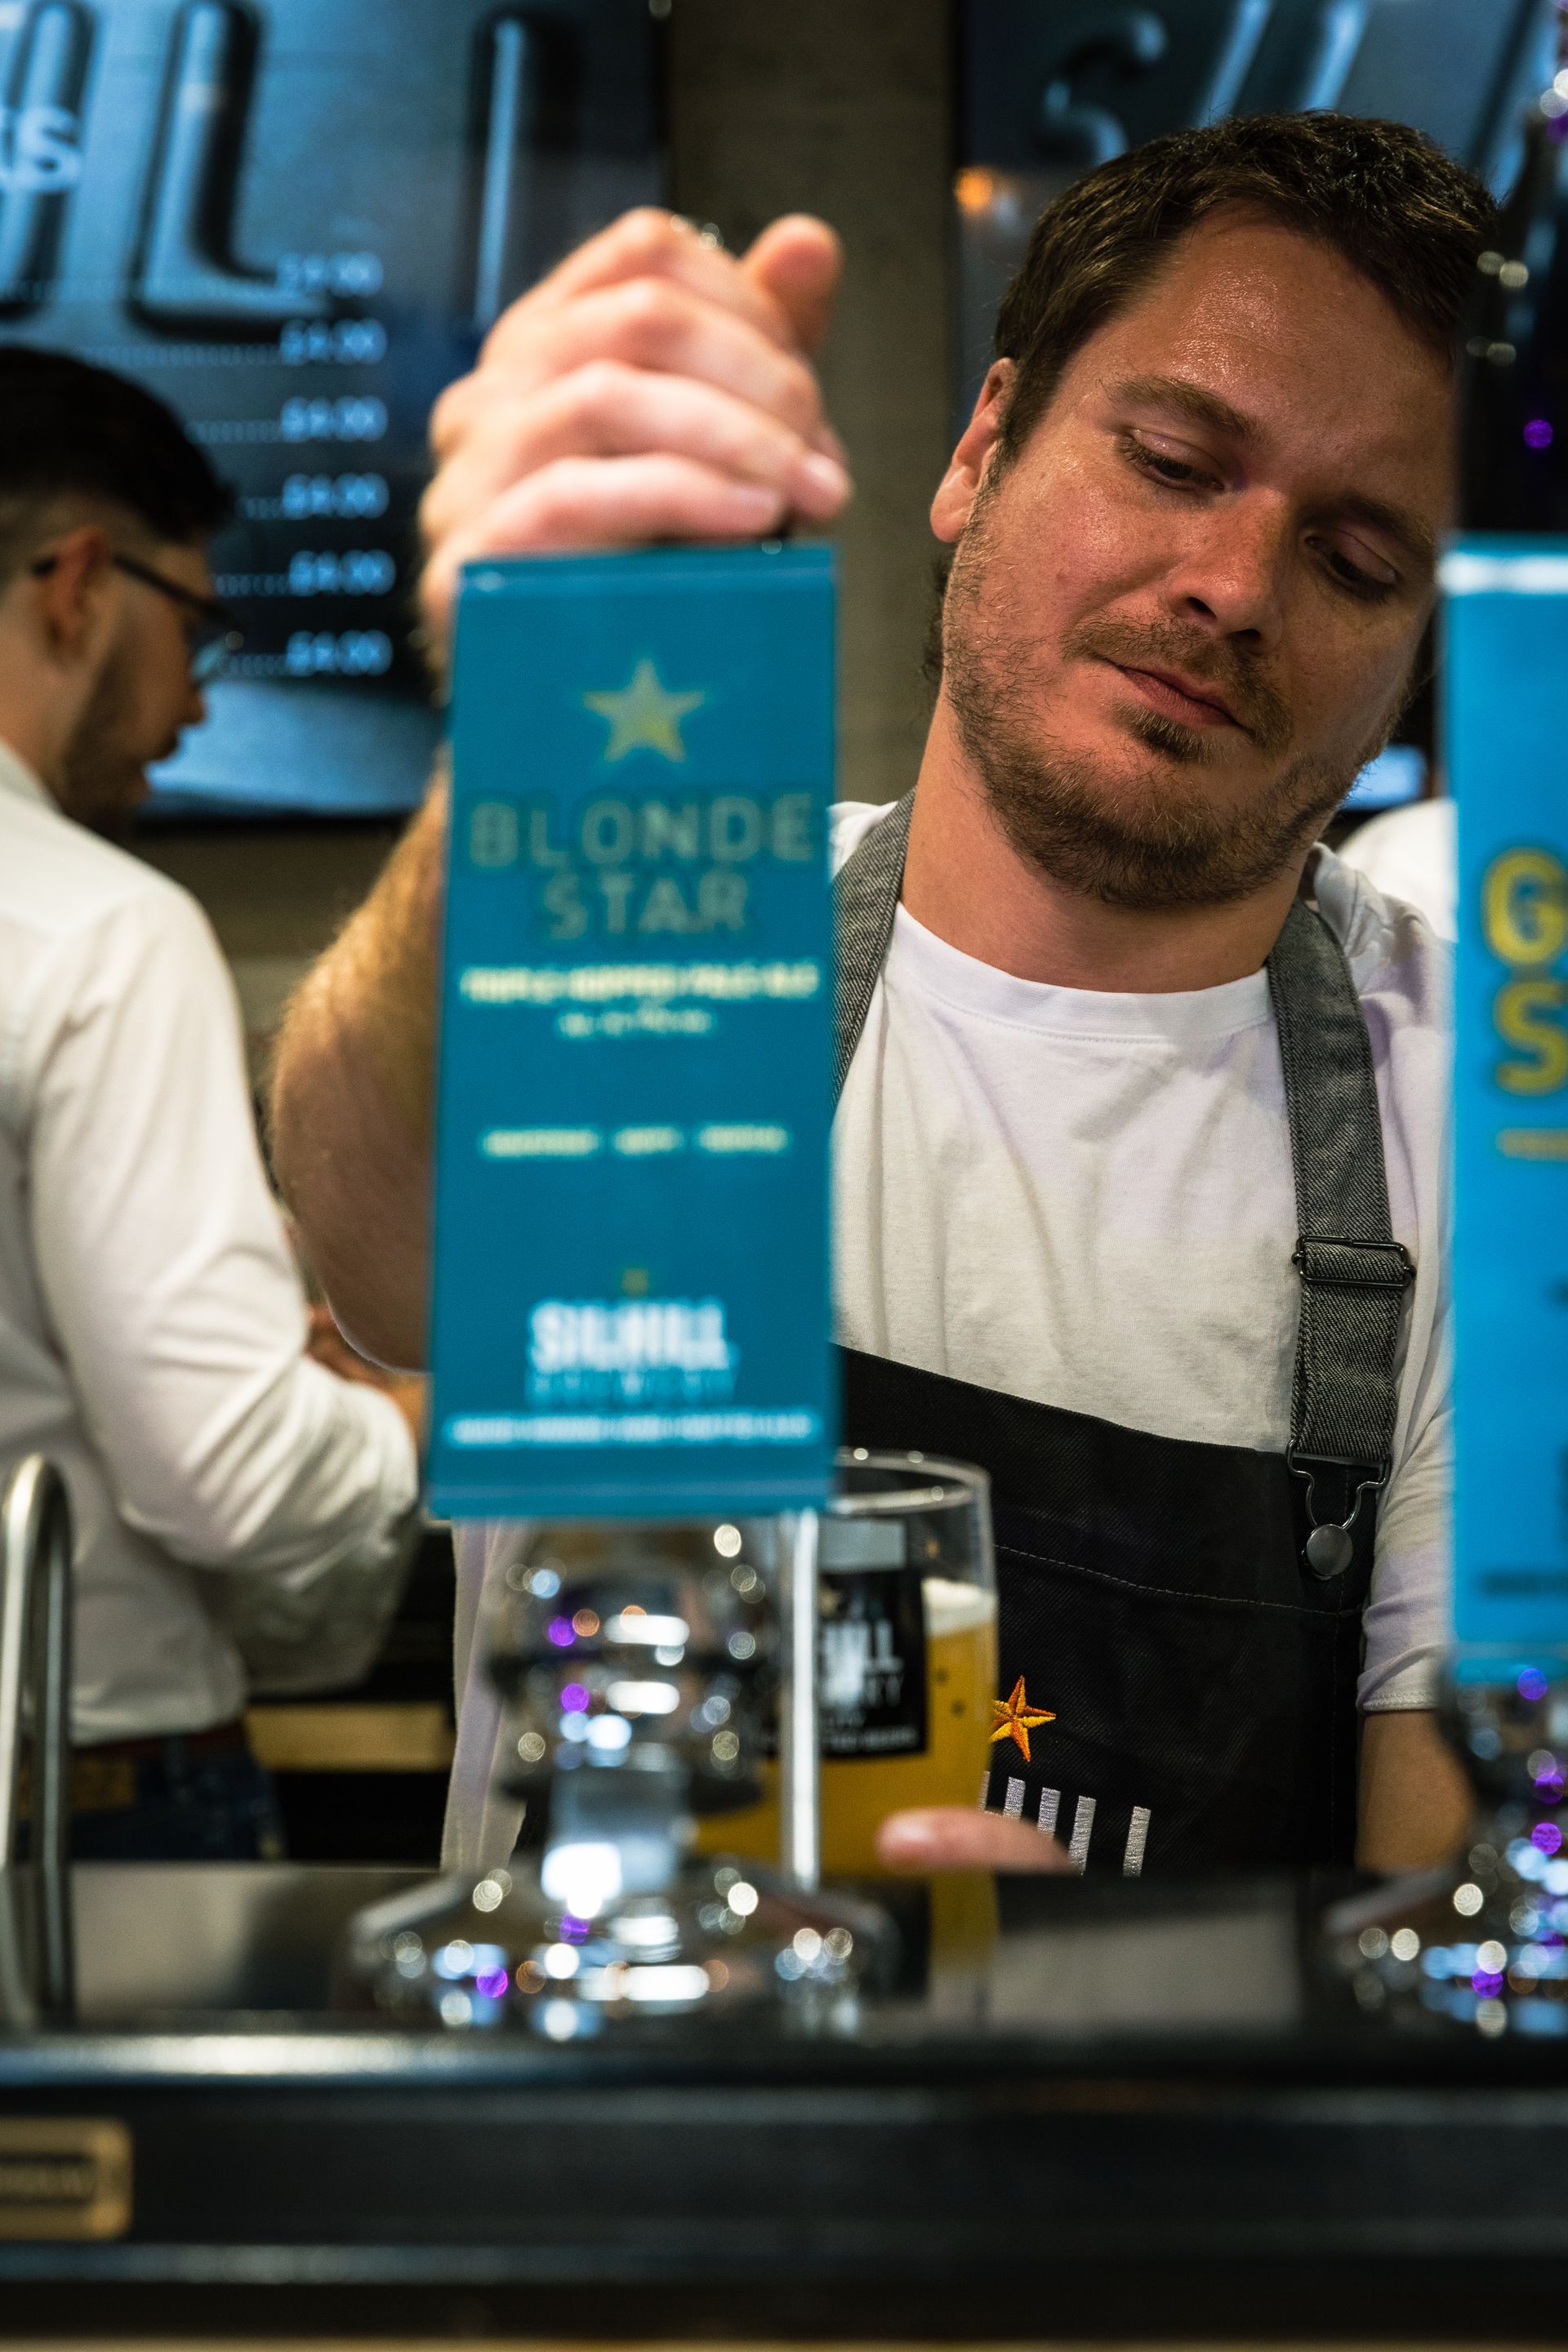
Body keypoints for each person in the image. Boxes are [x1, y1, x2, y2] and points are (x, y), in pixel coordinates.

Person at [272, 113, 1489, 1878]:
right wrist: (526, 739)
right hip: (606, 2051)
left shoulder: (1483, 1119)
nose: (1235, 587)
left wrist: (1111, 2009)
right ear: (984, 448)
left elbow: (1451, 1895)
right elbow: (382, 1258)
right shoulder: (678, 940)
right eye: (1171, 461)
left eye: (1357, 560)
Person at [0, 348, 421, 1860]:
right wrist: (422, 1417)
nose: (193, 697)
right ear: (79, 586)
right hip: (81, 1789)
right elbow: (228, 1472)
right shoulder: (99, 931)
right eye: (194, 623)